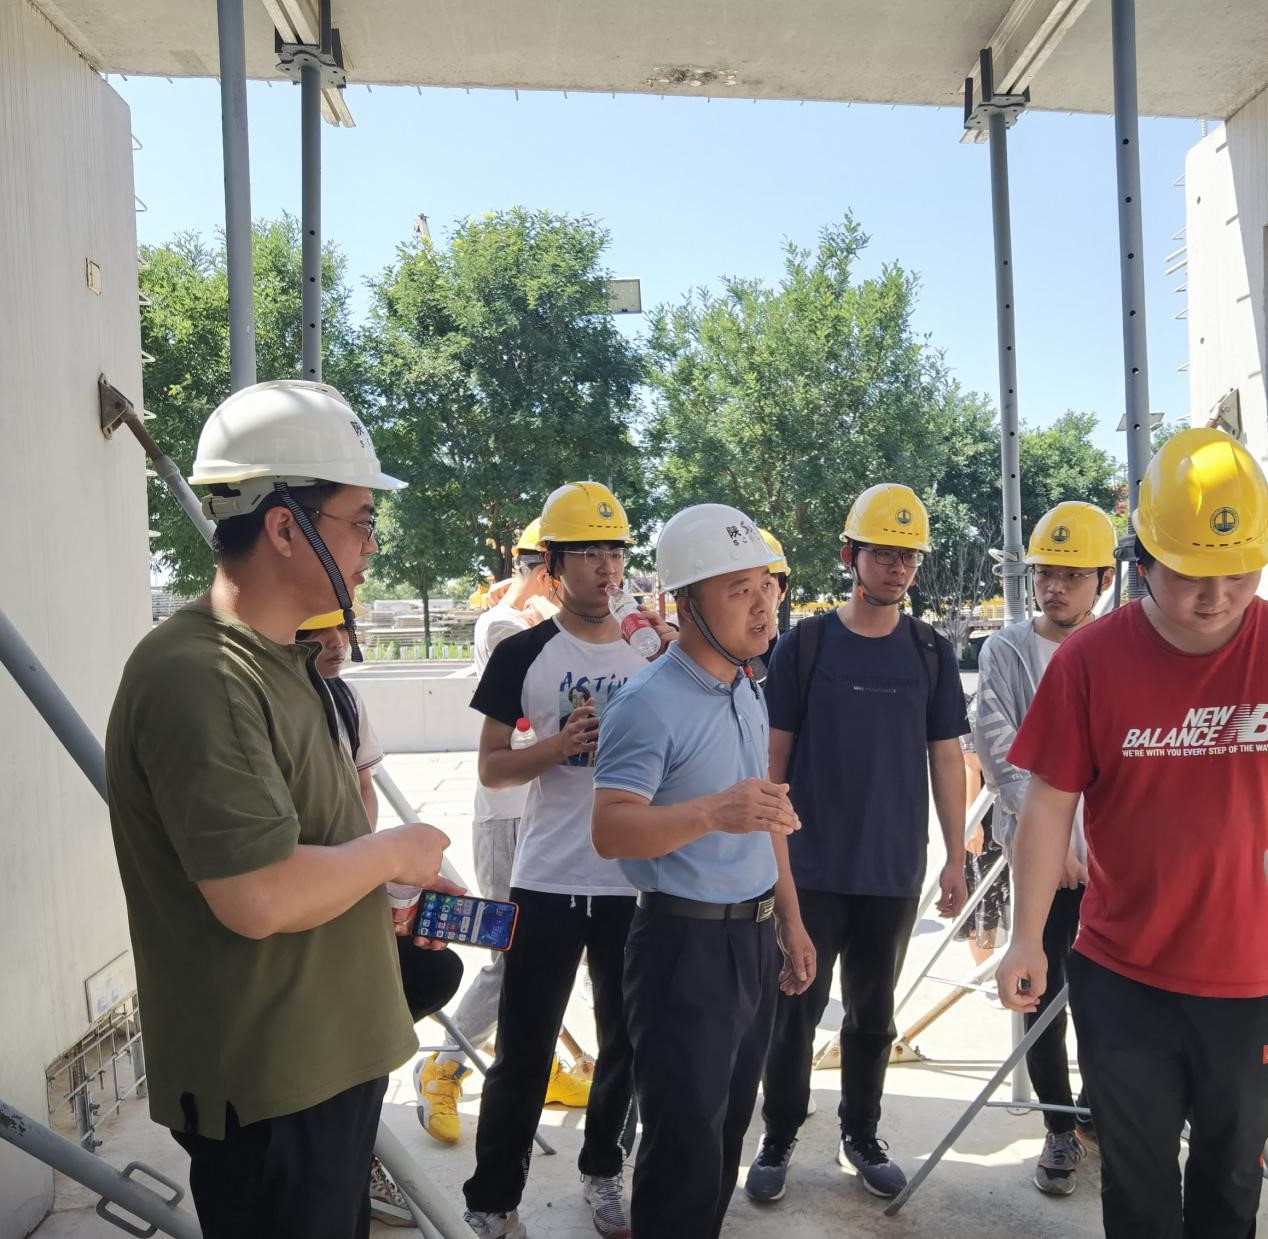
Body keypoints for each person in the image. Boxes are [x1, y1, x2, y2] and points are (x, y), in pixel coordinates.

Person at [104, 379, 457, 1239]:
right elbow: (257, 893)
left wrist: (376, 893)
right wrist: (395, 851)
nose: (372, 543)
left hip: (323, 1062)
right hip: (274, 1088)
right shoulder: (202, 675)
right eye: (360, 520)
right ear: (286, 527)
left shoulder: (277, 663)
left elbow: (306, 850)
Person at [997, 427, 1268, 1238]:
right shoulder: (1090, 661)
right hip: (1124, 974)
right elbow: (1047, 805)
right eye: (1190, 573)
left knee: (1232, 1177)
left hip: (1251, 978)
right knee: (1138, 1181)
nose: (1216, 595)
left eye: (1238, 571)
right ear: (1142, 560)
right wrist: (1025, 937)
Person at [592, 503, 814, 1239]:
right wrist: (715, 811)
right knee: (683, 1145)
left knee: (725, 1135)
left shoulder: (746, 686)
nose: (763, 604)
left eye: (767, 585)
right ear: (686, 604)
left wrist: (790, 919)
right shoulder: (647, 703)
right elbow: (610, 829)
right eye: (738, 590)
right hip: (682, 948)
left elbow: (765, 812)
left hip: (750, 940)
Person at [745, 483, 968, 1204]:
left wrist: (956, 855)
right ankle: (778, 1134)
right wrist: (769, 856)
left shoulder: (929, 651)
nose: (897, 567)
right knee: (794, 1010)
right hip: (810, 869)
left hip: (892, 871)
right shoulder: (806, 645)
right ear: (850, 556)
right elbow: (774, 759)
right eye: (883, 553)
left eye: (908, 556)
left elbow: (946, 758)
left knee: (874, 1016)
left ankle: (862, 1135)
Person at [462, 482, 665, 1239]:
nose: (607, 566)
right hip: (546, 877)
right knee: (524, 1046)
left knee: (625, 1042)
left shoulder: (651, 652)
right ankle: (492, 1196)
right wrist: (556, 746)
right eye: (588, 552)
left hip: (628, 878)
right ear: (553, 565)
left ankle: (604, 1169)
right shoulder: (523, 651)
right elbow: (491, 767)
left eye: (615, 550)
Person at [414, 518, 587, 1145]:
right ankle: (445, 1067)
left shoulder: (540, 621)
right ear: (547, 570)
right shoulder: (502, 627)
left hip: (550, 817)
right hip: (508, 815)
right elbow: (544, 670)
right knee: (511, 952)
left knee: (552, 953)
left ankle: (541, 1064)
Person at [297, 606, 465, 1223]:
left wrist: (381, 880)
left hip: (346, 889)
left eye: (341, 626)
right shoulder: (259, 709)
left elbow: (363, 792)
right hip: (296, 910)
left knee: (433, 971)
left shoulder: (343, 700)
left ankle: (353, 1134)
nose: (334, 641)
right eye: (315, 630)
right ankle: (345, 1139)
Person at [974, 500, 1115, 1195]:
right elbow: (1001, 751)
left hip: (1117, 866)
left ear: (1104, 579)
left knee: (1111, 1002)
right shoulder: (1004, 651)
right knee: (1043, 989)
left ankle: (1102, 1115)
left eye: (1071, 574)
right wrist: (1049, 843)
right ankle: (1059, 1124)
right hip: (1044, 865)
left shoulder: (1122, 648)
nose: (1054, 586)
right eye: (1044, 573)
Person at [751, 528, 791, 684]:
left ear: (783, 589)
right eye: (741, 590)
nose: (756, 604)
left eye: (765, 585)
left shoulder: (804, 656)